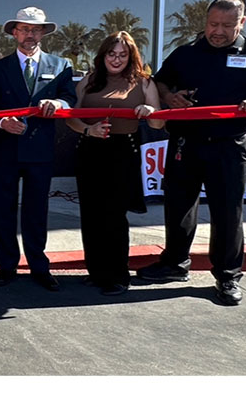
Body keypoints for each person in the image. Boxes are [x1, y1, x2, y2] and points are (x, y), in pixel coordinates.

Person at [137, 0, 246, 305]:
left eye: (226, 25)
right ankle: (174, 264)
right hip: (186, 143)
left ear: (242, 23)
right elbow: (160, 82)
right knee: (178, 206)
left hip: (230, 145)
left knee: (227, 212)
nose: (217, 31)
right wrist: (169, 97)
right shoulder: (186, 53)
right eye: (212, 24)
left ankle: (227, 276)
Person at [0, 6, 76, 290]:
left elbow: (69, 99)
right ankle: (6, 265)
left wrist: (58, 105)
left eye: (35, 30)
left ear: (43, 33)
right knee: (4, 209)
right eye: (24, 29)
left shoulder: (61, 66)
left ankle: (38, 265)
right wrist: (1, 123)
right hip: (7, 150)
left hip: (40, 150)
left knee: (37, 211)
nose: (30, 35)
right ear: (14, 32)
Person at [66, 32, 165, 296]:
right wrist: (89, 130)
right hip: (90, 150)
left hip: (123, 152)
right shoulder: (89, 80)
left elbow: (158, 123)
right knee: (91, 214)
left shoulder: (144, 83)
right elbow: (71, 117)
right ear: (103, 55)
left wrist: (150, 113)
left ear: (131, 57)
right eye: (112, 53)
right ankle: (96, 272)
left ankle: (118, 275)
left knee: (114, 216)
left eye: (123, 54)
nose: (116, 59)